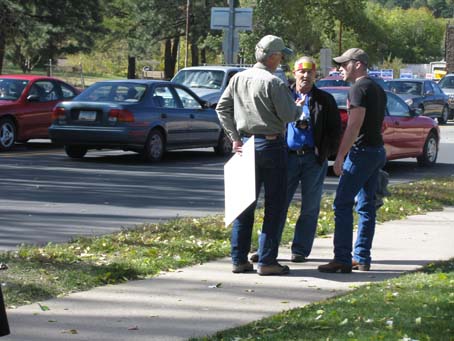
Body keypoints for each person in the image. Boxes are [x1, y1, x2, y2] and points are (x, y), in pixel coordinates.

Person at [216, 35, 302, 276]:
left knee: (244, 205)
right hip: (271, 146)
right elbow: (287, 115)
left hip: (245, 144)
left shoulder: (238, 78)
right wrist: (299, 107)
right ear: (273, 56)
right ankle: (267, 261)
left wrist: (233, 137)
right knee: (274, 206)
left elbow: (222, 108)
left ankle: (239, 260)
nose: (282, 59)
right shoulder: (273, 82)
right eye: (281, 55)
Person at [250, 56, 341, 263]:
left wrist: (326, 152)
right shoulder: (283, 94)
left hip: (312, 159)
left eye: (310, 72)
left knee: (310, 207)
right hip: (285, 158)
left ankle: (300, 250)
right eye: (301, 71)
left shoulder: (324, 100)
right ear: (294, 72)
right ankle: (266, 250)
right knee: (277, 205)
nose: (305, 76)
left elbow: (335, 130)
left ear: (315, 74)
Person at [318, 48, 387, 273]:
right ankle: (362, 257)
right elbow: (379, 124)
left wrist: (339, 156)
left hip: (362, 154)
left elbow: (354, 126)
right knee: (366, 206)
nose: (340, 69)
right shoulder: (377, 88)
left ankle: (342, 258)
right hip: (377, 151)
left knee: (342, 203)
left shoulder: (358, 88)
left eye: (344, 64)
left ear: (357, 64)